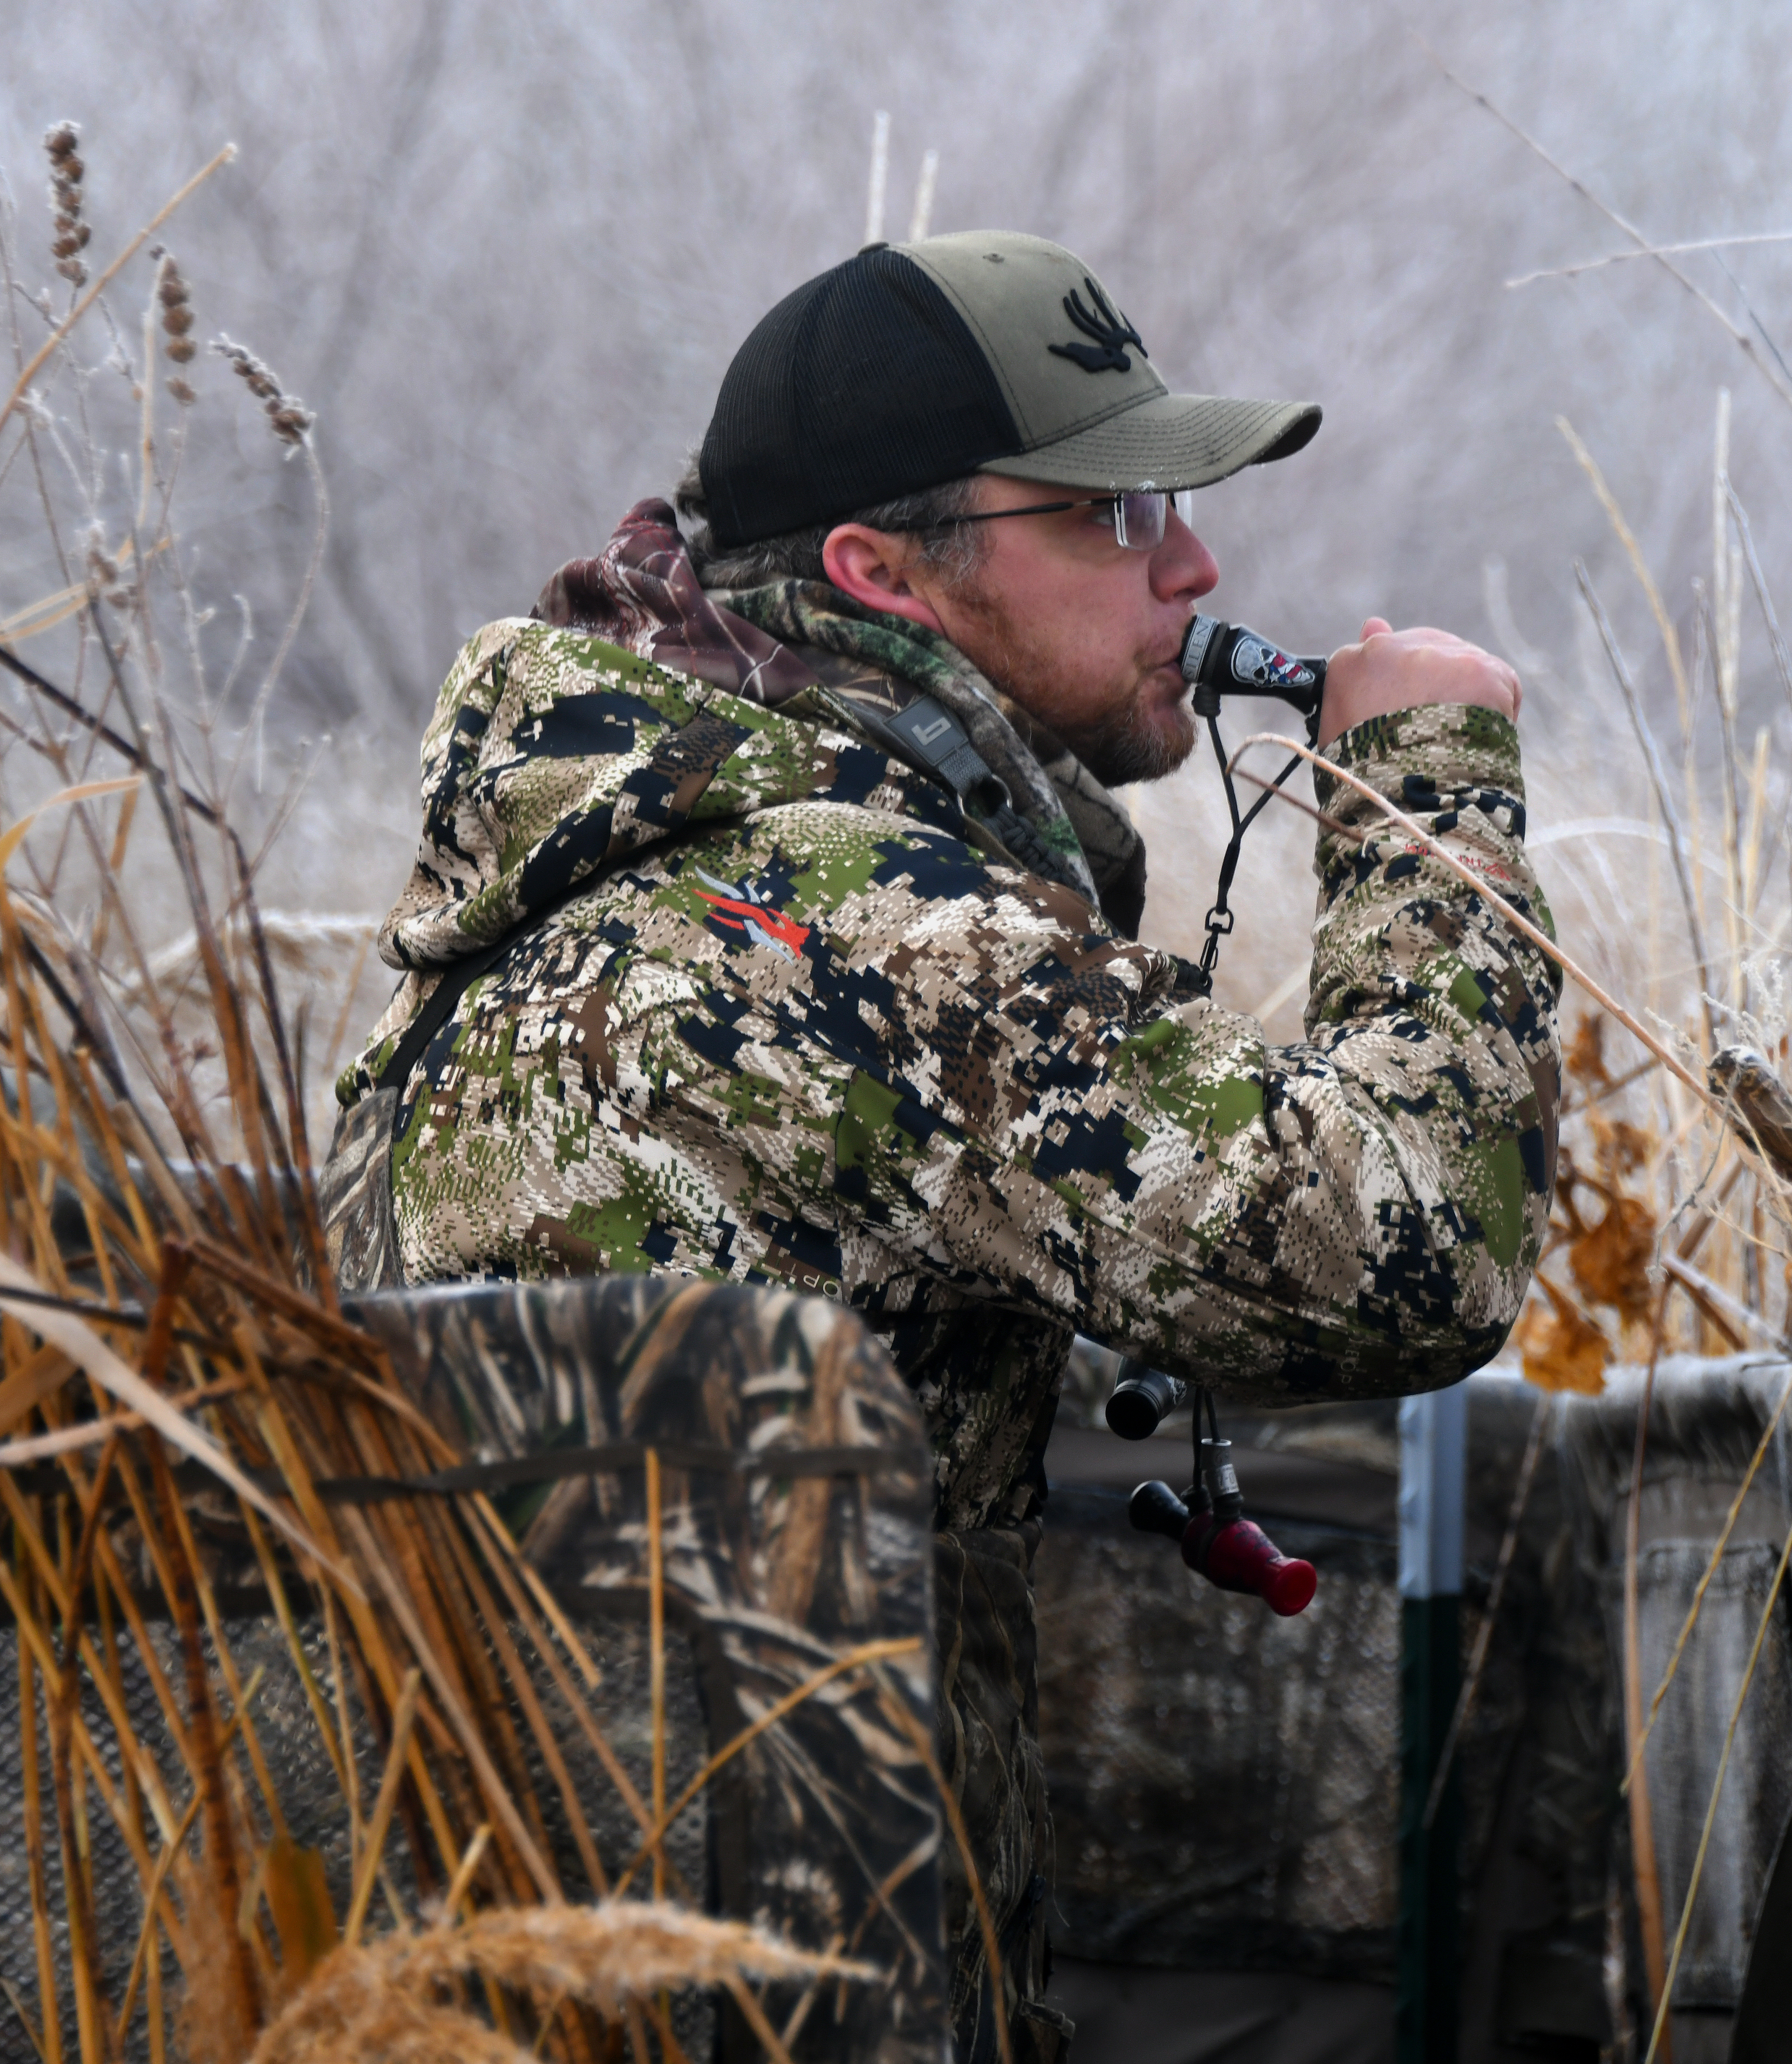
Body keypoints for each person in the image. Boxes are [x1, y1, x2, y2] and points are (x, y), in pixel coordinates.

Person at [327, 231, 1559, 2058]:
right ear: (879, 573)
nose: (1199, 567)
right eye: (1112, 517)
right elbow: (1407, 1242)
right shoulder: (844, 921)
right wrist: (1428, 794)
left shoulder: (578, 872)